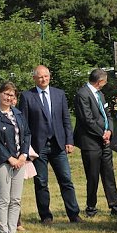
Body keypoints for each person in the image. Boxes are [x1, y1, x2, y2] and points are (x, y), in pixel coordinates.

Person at [18, 65, 82, 224]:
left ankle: (74, 214)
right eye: (40, 77)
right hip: (38, 147)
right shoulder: (27, 96)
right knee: (41, 182)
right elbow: (23, 125)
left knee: (66, 179)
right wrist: (26, 148)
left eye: (46, 76)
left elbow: (66, 119)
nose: (43, 79)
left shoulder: (59, 94)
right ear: (34, 78)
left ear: (50, 76)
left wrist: (69, 140)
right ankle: (45, 216)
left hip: (58, 144)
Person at [0, 81, 31, 233]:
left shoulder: (18, 114)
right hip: (2, 162)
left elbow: (26, 135)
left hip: (20, 161)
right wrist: (9, 158)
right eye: (6, 93)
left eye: (12, 95)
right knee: (4, 198)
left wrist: (23, 155)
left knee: (16, 199)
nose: (8, 97)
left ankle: (12, 231)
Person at [73, 68, 117, 218]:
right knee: (93, 176)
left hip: (105, 141)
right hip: (91, 142)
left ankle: (115, 206)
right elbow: (87, 119)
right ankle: (91, 208)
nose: (105, 84)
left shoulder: (100, 94)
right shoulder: (83, 95)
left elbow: (108, 115)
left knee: (108, 174)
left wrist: (109, 131)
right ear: (100, 81)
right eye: (105, 81)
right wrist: (102, 133)